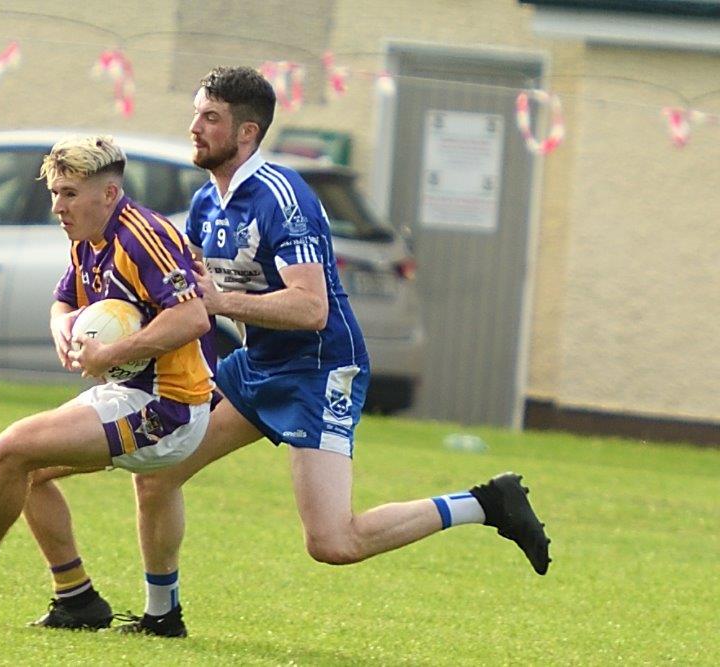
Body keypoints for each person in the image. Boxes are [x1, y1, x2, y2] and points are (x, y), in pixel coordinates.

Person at [110, 65, 551, 637]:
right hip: (258, 367)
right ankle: (161, 616)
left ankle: (486, 504)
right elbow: (196, 300)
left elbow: (309, 307)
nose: (194, 127)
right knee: (158, 473)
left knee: (333, 543)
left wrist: (220, 303)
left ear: (246, 133)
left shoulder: (282, 196)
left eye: (209, 117)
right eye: (196, 113)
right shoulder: (206, 204)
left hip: (320, 369)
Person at [0, 135, 216, 634]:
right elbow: (63, 302)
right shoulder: (88, 236)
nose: (58, 206)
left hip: (167, 407)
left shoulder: (142, 235)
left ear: (108, 192)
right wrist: (65, 329)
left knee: (12, 447)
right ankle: (76, 598)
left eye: (69, 193)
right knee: (22, 473)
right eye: (55, 193)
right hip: (130, 394)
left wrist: (111, 352)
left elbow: (193, 318)